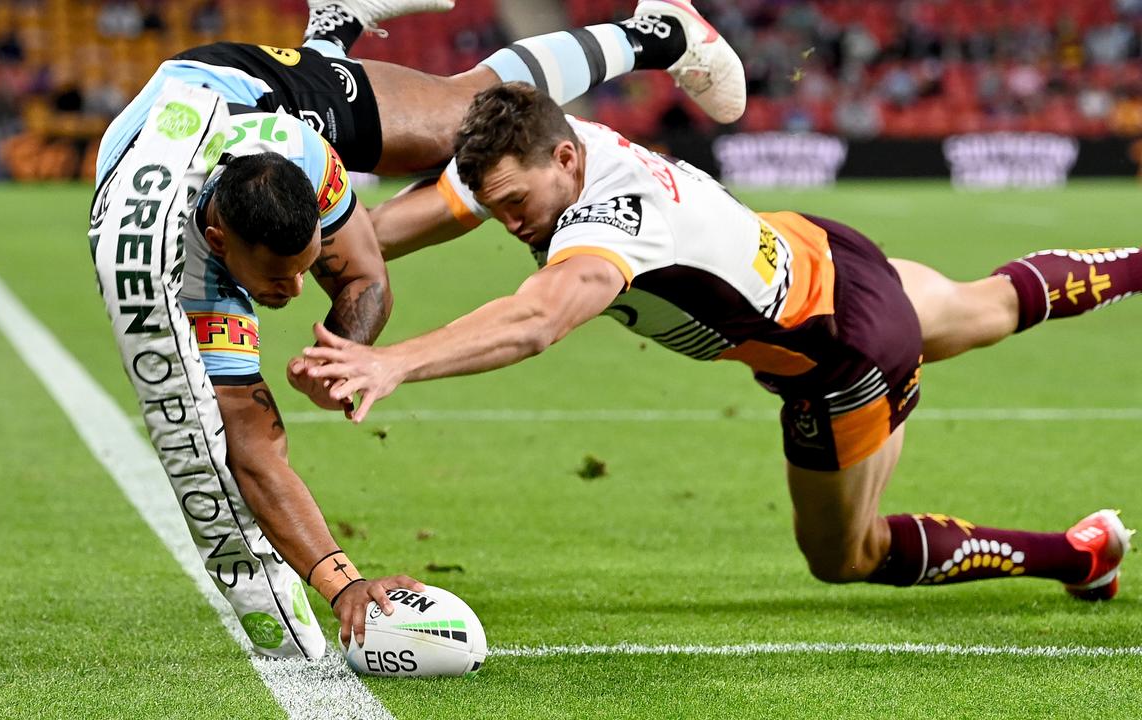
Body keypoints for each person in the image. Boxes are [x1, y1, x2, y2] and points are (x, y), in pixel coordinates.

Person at [300, 82, 1136, 604]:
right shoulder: (548, 147)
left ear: (562, 158)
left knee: (845, 555)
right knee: (991, 304)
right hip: (826, 255)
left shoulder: (610, 224)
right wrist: (308, 244)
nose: (509, 220)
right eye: (499, 206)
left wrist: (392, 359)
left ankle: (1076, 556)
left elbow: (538, 318)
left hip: (839, 357)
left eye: (517, 204)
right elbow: (403, 221)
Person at [87, 0, 749, 659]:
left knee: (463, 122)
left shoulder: (308, 156)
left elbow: (365, 280)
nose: (292, 293)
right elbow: (245, 451)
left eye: (304, 268)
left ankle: (658, 29)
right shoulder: (175, 268)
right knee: (235, 422)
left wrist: (347, 352)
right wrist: (340, 583)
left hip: (264, 99)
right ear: (219, 242)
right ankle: (333, 32)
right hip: (176, 132)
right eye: (274, 281)